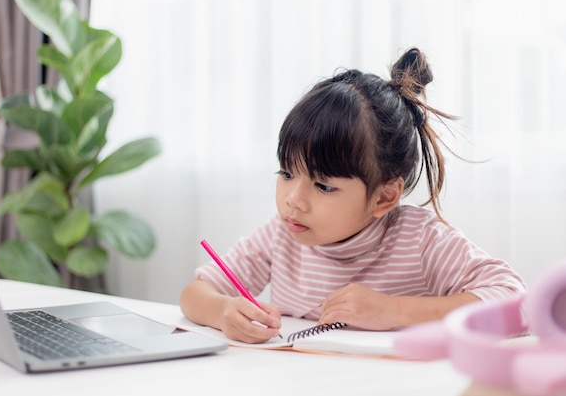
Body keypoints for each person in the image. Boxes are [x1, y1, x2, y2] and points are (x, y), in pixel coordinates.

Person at [179, 47, 526, 344]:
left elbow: (517, 304)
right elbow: (194, 295)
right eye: (286, 173)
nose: (292, 200)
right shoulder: (280, 236)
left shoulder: (420, 240)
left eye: (324, 186)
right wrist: (223, 311)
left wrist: (393, 310)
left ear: (384, 198)